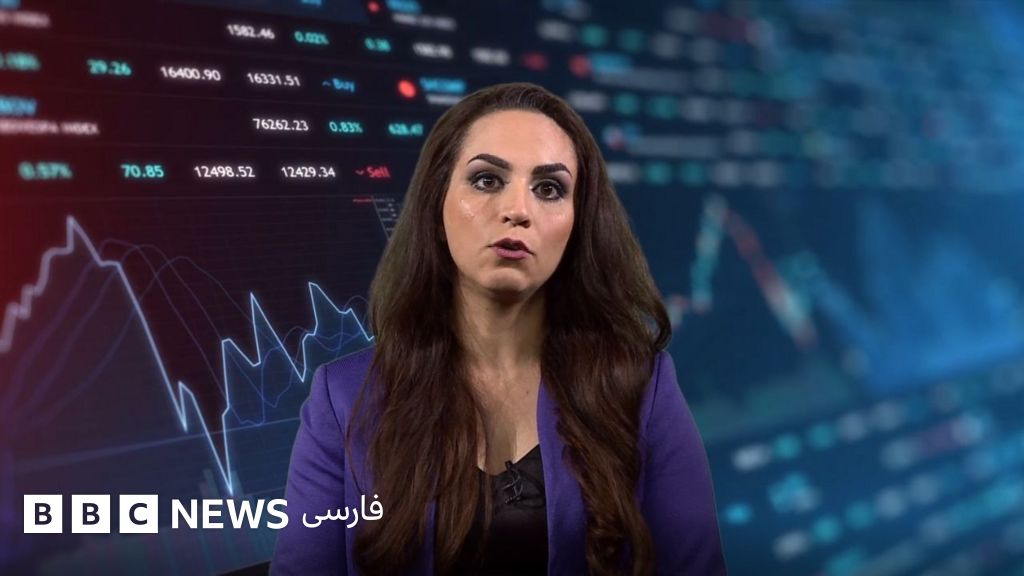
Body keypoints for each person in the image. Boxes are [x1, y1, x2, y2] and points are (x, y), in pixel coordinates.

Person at [270, 82, 728, 576]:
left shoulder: (642, 388)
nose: (518, 210)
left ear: (578, 224)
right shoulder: (342, 399)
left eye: (548, 188)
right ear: (436, 204)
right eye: (487, 180)